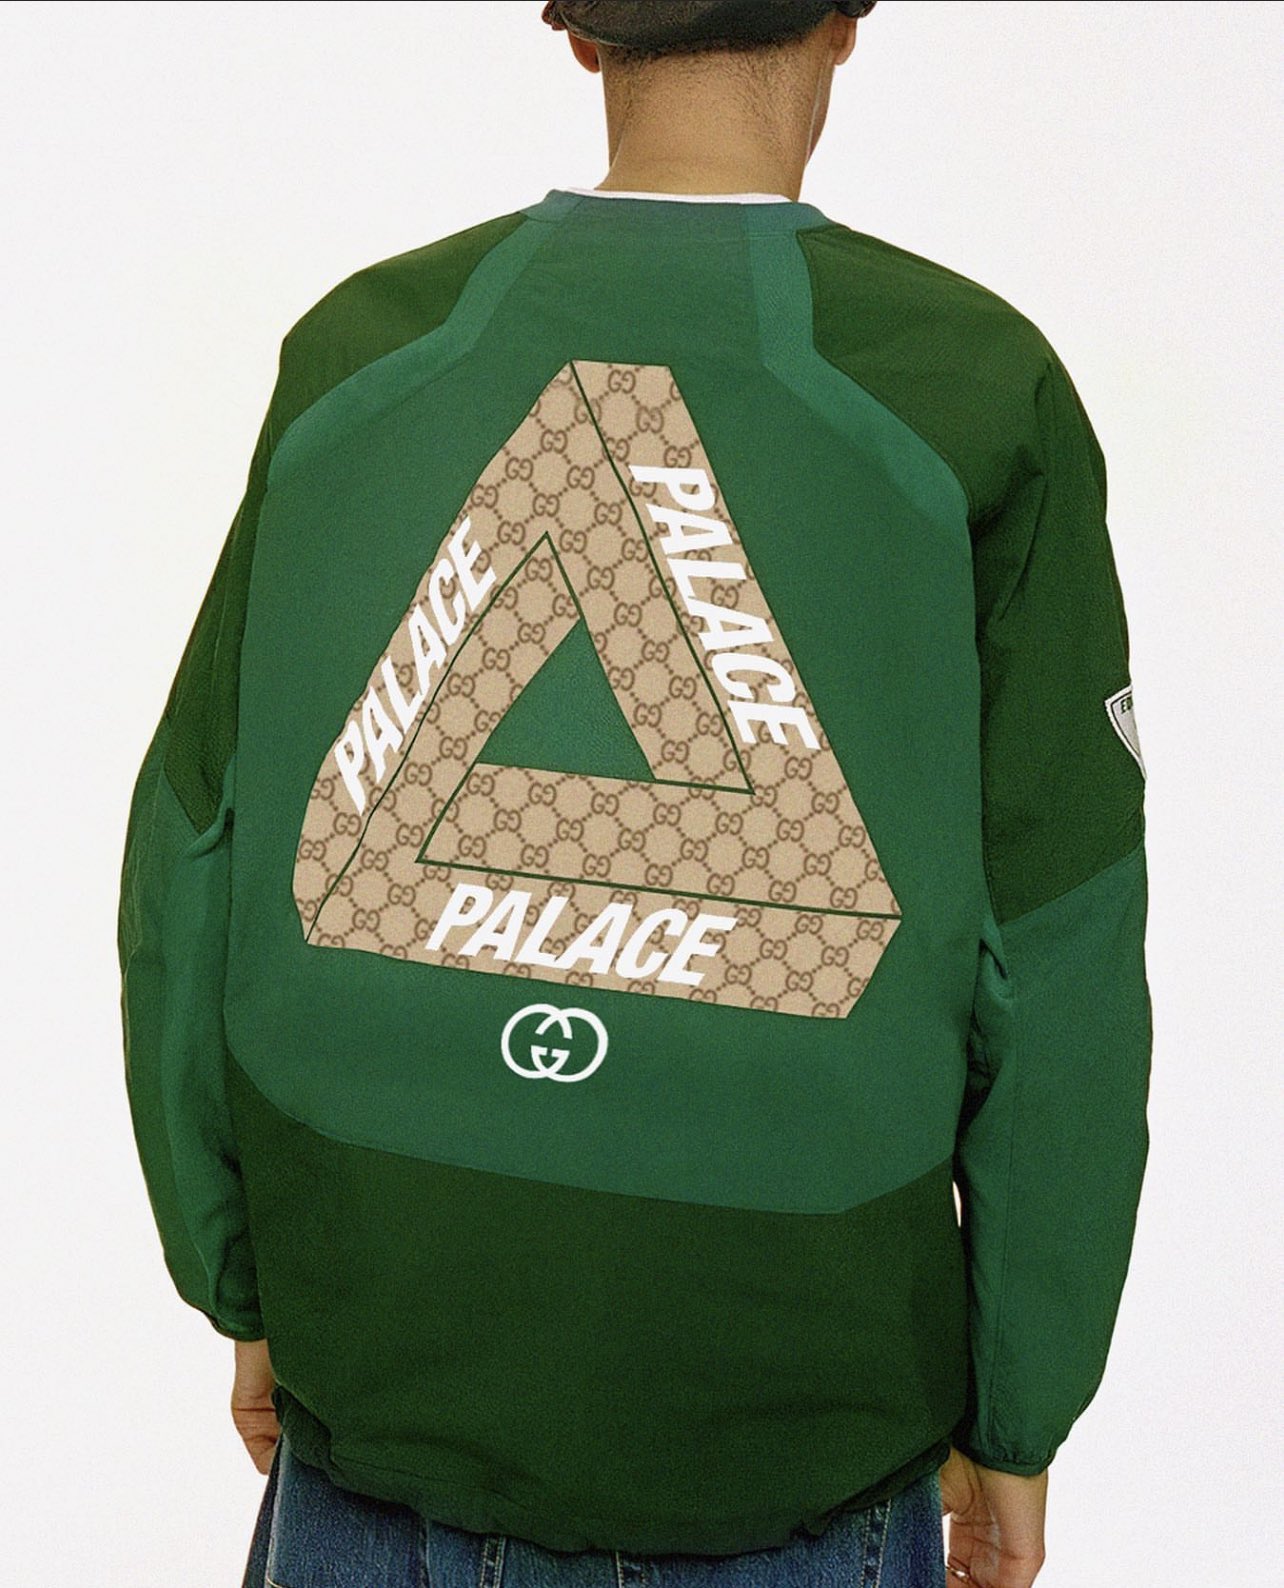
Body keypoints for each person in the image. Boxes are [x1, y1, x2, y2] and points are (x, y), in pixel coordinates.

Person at [115, 2, 1154, 1585]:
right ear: (847, 22)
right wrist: (1020, 1412)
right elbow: (1064, 952)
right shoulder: (968, 388)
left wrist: (246, 1283)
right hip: (797, 1447)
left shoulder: (359, 358)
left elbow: (190, 856)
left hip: (373, 1407)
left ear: (580, 35)